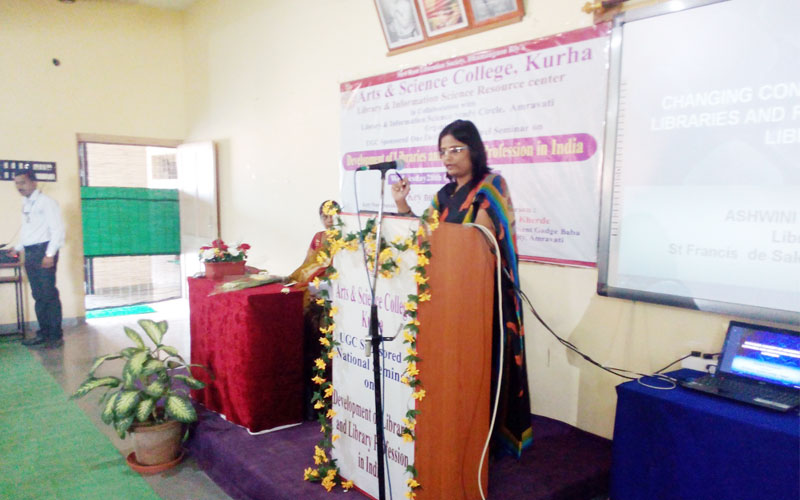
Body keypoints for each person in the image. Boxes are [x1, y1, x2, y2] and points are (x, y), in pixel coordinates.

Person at [392, 119, 533, 457]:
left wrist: (441, 241)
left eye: (456, 149)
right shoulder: (444, 195)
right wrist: (402, 207)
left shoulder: (491, 186)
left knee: (482, 369)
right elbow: (422, 237)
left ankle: (484, 442)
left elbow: (476, 239)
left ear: (474, 150)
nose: (448, 157)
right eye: (443, 151)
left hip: (483, 297)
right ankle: (454, 434)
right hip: (448, 297)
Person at [287, 200, 340, 420]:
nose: (329, 220)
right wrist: (301, 283)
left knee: (327, 347)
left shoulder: (345, 238)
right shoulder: (318, 237)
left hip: (334, 294)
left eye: (332, 215)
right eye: (324, 216)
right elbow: (307, 265)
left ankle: (329, 396)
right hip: (314, 291)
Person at [12, 170, 66, 349]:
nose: (19, 186)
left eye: (23, 182)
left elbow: (57, 230)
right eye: (17, 183)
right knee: (38, 295)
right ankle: (44, 333)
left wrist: (49, 255)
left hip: (44, 251)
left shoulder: (47, 202)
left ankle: (56, 336)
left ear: (33, 182)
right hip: (30, 252)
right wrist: (17, 248)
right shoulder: (26, 203)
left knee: (49, 294)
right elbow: (28, 231)